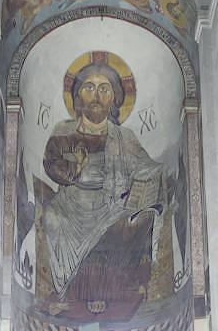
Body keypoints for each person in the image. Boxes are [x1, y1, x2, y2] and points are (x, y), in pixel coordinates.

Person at [41, 59, 164, 314]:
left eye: (104, 89)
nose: (97, 95)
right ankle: (66, 290)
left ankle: (126, 287)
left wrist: (151, 181)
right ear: (77, 98)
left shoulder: (125, 137)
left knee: (143, 219)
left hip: (112, 207)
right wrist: (76, 168)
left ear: (115, 100)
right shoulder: (63, 130)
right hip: (72, 205)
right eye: (89, 87)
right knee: (52, 217)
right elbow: (51, 165)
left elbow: (147, 168)